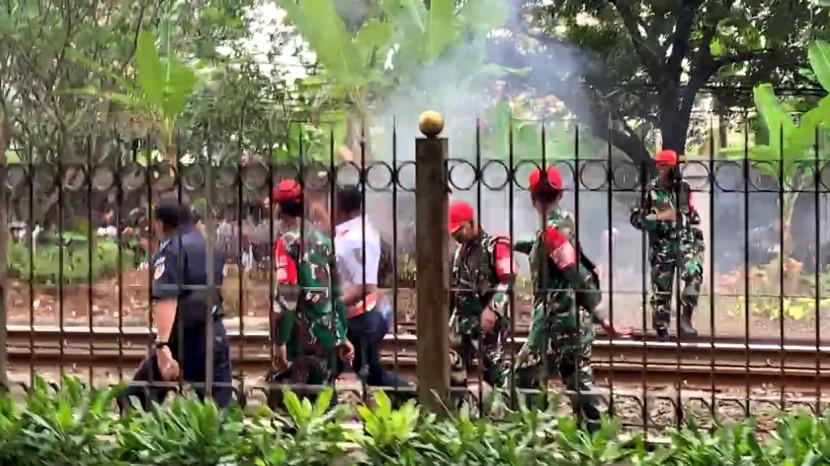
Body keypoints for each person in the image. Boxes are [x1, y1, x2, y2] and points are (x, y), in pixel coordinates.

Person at [513, 166, 630, 433]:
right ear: (560, 194)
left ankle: (537, 430)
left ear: (532, 198)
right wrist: (516, 244)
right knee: (576, 379)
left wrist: (603, 316)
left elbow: (575, 273)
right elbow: (544, 247)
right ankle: (596, 434)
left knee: (525, 373)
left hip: (557, 319)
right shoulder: (560, 224)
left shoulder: (554, 231)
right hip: (569, 318)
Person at [119, 194, 232, 411]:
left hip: (182, 339)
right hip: (214, 332)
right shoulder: (211, 245)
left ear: (161, 223)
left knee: (136, 401)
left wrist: (162, 346)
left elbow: (167, 298)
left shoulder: (172, 249)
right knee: (219, 412)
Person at [267, 179, 354, 407]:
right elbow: (336, 292)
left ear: (279, 208)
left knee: (295, 408)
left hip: (299, 337)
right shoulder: (325, 241)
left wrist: (279, 342)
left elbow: (288, 295)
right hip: (327, 335)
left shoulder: (286, 243)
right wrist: (342, 334)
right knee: (325, 404)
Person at [333, 186, 411, 390]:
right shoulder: (350, 232)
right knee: (362, 371)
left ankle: (413, 395)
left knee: (368, 373)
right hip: (356, 315)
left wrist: (332, 305)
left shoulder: (358, 238)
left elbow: (365, 286)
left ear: (341, 207)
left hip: (363, 317)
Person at [630, 149, 704, 340]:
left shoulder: (684, 189)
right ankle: (661, 329)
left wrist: (695, 236)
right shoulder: (650, 191)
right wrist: (654, 220)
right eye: (661, 166)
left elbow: (693, 215)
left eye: (667, 166)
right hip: (662, 247)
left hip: (686, 244)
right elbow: (636, 217)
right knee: (662, 290)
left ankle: (686, 319)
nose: (663, 170)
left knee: (694, 275)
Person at [447, 200, 515, 391]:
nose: (457, 236)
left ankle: (500, 404)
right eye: (453, 232)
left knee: (493, 374)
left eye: (460, 230)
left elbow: (508, 279)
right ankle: (457, 404)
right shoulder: (459, 252)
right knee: (453, 369)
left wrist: (493, 309)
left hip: (489, 322)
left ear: (471, 223)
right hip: (462, 321)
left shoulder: (494, 246)